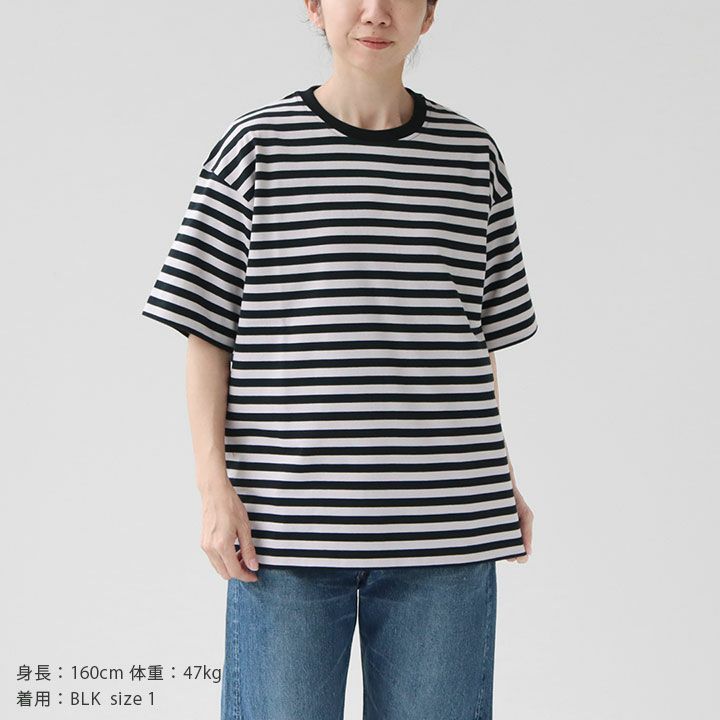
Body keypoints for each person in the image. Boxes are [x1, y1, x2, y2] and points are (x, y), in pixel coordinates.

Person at [141, 1, 538, 717]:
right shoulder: (256, 147)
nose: (375, 12)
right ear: (315, 7)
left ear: (429, 14)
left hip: (447, 526)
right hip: (284, 530)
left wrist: (499, 480)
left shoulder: (473, 157)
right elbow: (205, 330)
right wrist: (212, 487)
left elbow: (475, 340)